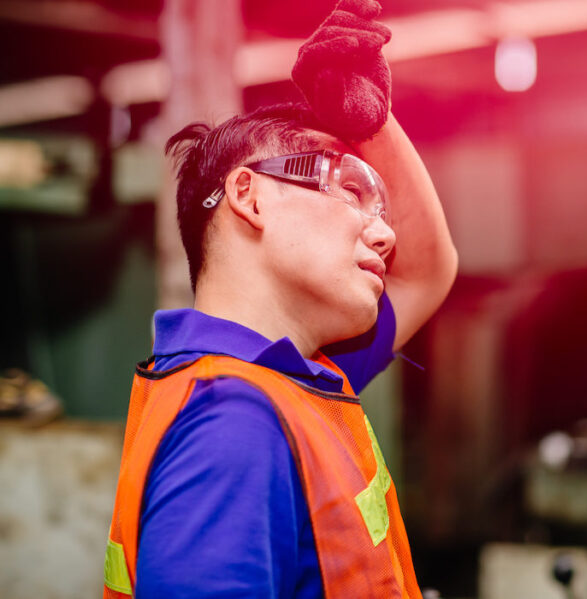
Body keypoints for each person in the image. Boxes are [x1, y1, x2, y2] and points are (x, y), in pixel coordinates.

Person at [103, 2, 457, 597]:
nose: (386, 233)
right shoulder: (232, 424)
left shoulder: (296, 381)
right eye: (350, 190)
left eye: (380, 208)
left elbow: (425, 270)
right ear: (250, 197)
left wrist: (372, 120)